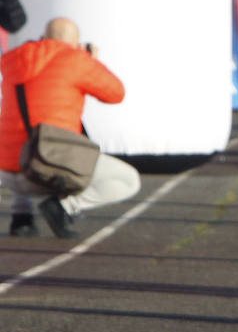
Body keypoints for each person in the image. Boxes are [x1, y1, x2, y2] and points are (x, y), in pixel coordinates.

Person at [1, 18, 139, 238]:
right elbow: (116, 93)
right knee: (129, 180)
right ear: (75, 43)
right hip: (49, 168)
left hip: (8, 172)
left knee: (22, 145)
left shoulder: (13, 59)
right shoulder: (76, 60)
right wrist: (90, 61)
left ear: (44, 37)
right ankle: (65, 207)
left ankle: (21, 217)